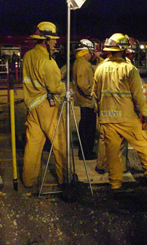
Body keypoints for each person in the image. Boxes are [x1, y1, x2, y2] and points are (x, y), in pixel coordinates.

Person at [92, 33, 147, 189]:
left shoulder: (100, 69)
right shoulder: (129, 69)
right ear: (123, 51)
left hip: (107, 119)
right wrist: (145, 114)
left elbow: (95, 95)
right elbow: (138, 96)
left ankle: (115, 184)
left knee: (112, 154)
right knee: (144, 147)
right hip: (127, 118)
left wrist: (100, 113)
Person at [22, 21, 66, 188]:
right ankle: (65, 179)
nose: (55, 42)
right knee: (60, 143)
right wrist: (63, 87)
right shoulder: (48, 61)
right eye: (53, 39)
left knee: (33, 145)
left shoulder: (28, 56)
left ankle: (28, 180)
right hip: (47, 107)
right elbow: (55, 87)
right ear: (45, 40)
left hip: (32, 106)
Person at [72, 39, 97, 160]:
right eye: (91, 52)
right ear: (86, 51)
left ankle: (85, 152)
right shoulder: (82, 63)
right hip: (86, 102)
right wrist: (91, 94)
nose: (92, 54)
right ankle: (86, 153)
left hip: (85, 101)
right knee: (88, 128)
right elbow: (83, 84)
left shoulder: (82, 62)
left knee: (86, 127)